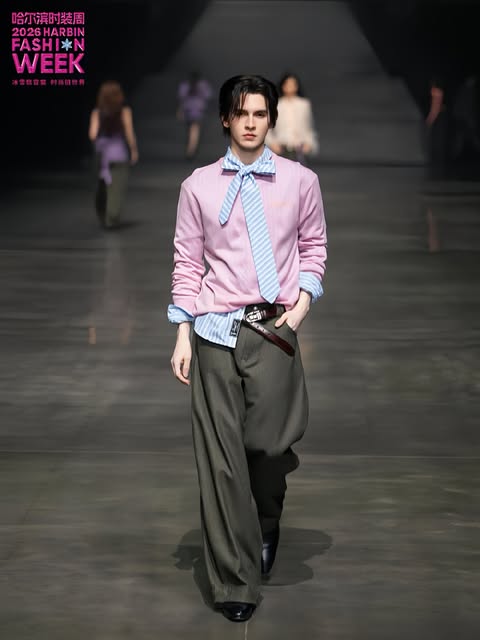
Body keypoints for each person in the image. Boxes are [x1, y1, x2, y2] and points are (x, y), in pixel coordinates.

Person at [167, 74, 327, 623]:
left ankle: (266, 520)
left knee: (269, 449)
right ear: (225, 119)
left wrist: (300, 309)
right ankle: (235, 583)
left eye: (260, 113)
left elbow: (314, 246)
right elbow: (187, 261)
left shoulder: (301, 181)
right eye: (242, 113)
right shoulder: (198, 187)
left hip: (274, 330)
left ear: (271, 119)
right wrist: (183, 333)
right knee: (222, 463)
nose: (252, 123)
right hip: (214, 331)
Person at [88, 80, 139, 228]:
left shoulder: (97, 112)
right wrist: (134, 150)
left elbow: (92, 134)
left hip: (102, 154)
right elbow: (129, 132)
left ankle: (103, 214)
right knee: (117, 186)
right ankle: (112, 216)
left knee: (101, 186)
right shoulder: (125, 111)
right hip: (118, 153)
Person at [265, 72, 319, 165]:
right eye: (287, 84)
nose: (290, 87)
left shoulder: (304, 104)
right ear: (282, 86)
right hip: (281, 147)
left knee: (300, 171)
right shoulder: (276, 104)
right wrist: (271, 143)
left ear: (297, 86)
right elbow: (268, 126)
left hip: (299, 148)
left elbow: (308, 126)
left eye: (293, 84)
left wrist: (309, 143)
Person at [176, 71, 213, 159]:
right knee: (194, 130)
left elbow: (181, 98)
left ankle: (191, 149)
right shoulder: (202, 85)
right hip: (197, 111)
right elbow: (208, 96)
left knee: (192, 130)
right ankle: (191, 148)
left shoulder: (186, 85)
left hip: (190, 111)